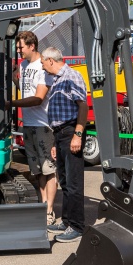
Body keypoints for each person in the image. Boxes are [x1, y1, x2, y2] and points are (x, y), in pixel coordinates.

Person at [6, 31, 57, 225]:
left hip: (43, 126)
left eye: (21, 47)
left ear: (32, 46)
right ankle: (43, 206)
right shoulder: (24, 65)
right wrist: (13, 77)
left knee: (48, 170)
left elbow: (38, 98)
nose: (18, 51)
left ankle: (50, 210)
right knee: (37, 171)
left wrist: (11, 103)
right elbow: (25, 87)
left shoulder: (42, 66)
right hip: (28, 124)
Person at [41, 46, 88, 243]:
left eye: (43, 62)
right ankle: (67, 221)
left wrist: (78, 134)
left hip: (71, 132)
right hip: (60, 134)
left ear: (51, 60)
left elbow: (83, 106)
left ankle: (77, 226)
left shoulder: (72, 76)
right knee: (66, 182)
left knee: (74, 182)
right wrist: (54, 141)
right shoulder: (57, 80)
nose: (43, 67)